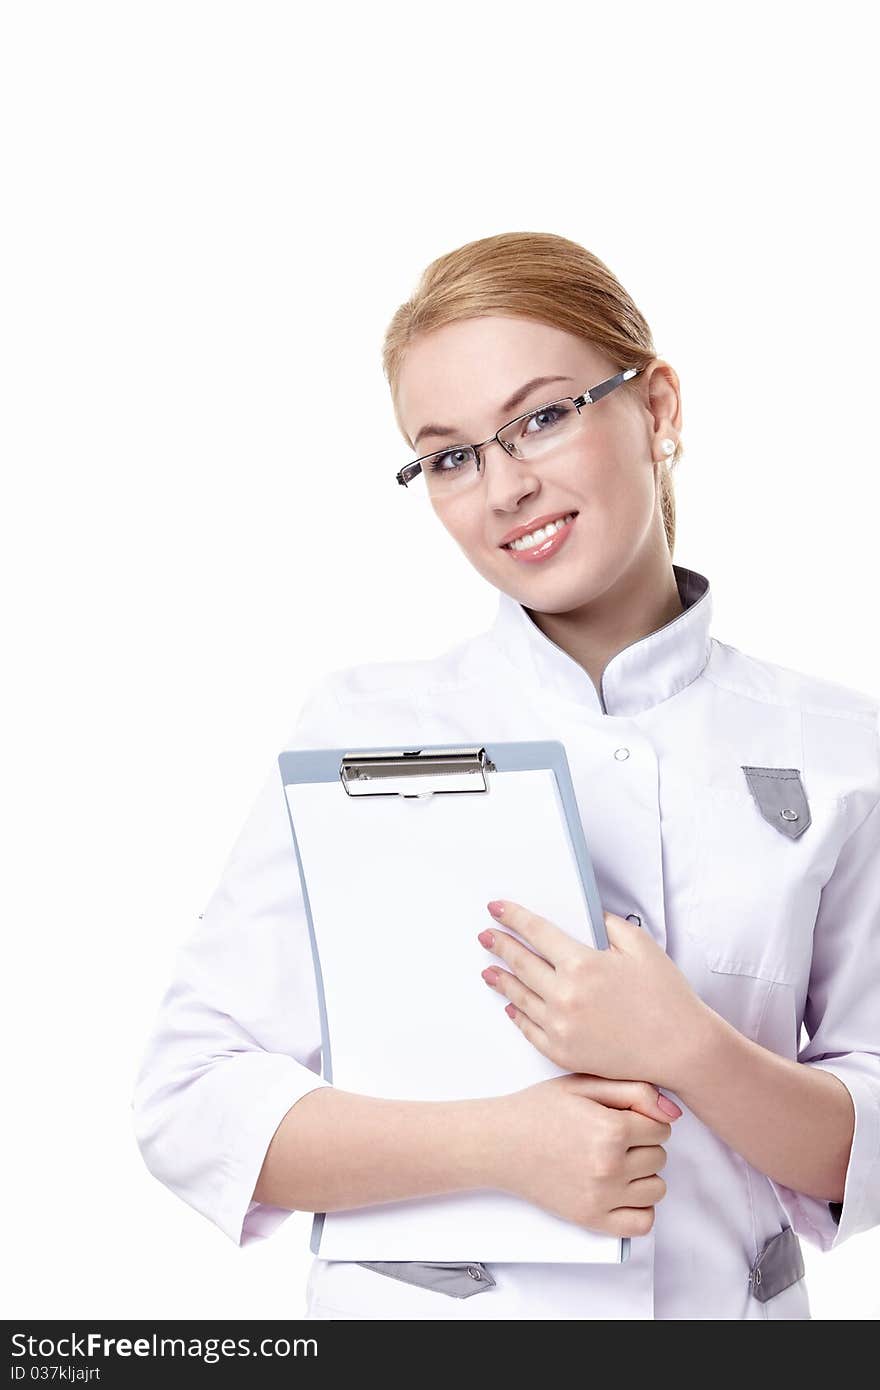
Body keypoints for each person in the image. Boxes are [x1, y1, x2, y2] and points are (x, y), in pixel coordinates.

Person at [131, 231, 880, 1320]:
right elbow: (188, 1099)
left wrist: (688, 1048)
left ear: (657, 409)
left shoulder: (839, 743)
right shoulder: (360, 726)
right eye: (448, 456)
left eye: (541, 417)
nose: (503, 487)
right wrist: (498, 1145)